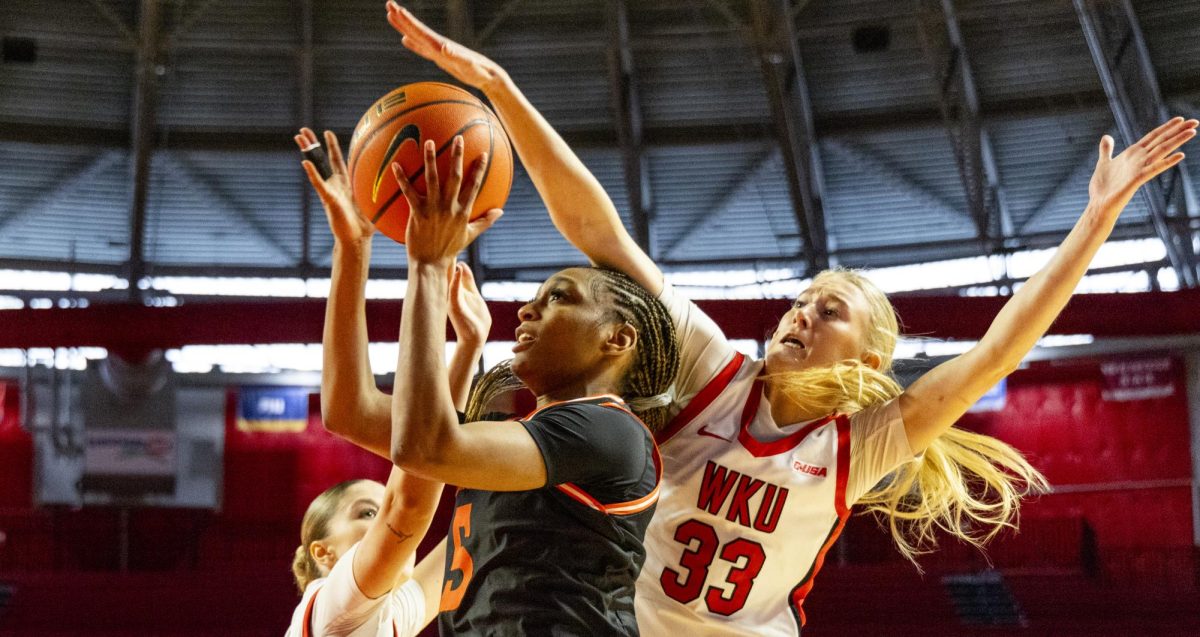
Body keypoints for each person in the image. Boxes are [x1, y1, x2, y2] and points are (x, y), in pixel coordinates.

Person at [383, 4, 1197, 634]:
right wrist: (499, 86)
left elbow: (998, 349)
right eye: (800, 300)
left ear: (869, 355)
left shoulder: (856, 445)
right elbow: (599, 233)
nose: (800, 313)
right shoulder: (710, 369)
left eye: (829, 309)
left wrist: (1094, 220)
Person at [299, 119, 682, 634]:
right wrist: (353, 247)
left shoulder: (608, 431)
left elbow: (424, 447)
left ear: (617, 340)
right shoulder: (514, 444)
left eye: (559, 297)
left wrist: (431, 266)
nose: (527, 309)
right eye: (536, 296)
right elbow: (351, 411)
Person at [285, 127, 488, 637]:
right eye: (366, 512)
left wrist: (466, 350)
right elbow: (411, 499)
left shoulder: (390, 617)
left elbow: (432, 468)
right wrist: (428, 266)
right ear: (324, 554)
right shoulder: (330, 605)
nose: (385, 522)